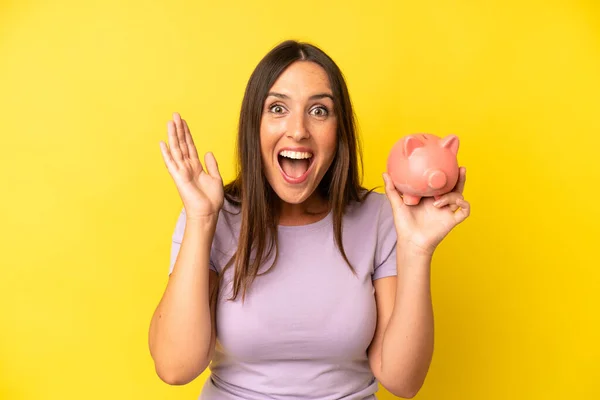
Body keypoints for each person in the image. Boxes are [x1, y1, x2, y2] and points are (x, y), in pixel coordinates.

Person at [148, 40, 470, 400]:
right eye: (277, 108)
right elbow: (175, 366)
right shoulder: (212, 214)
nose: (298, 130)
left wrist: (416, 249)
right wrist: (202, 219)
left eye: (319, 111)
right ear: (254, 125)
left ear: (339, 131)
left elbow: (402, 380)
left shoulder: (379, 217)